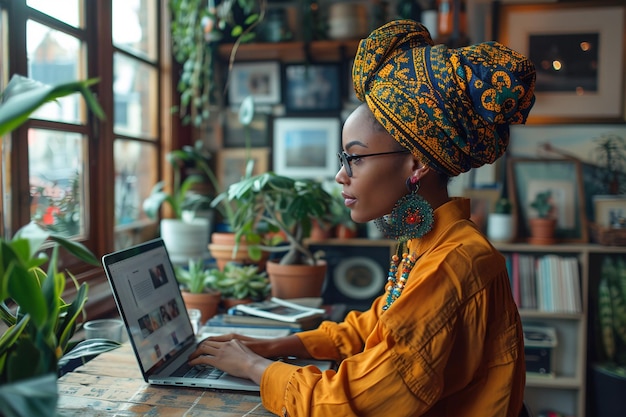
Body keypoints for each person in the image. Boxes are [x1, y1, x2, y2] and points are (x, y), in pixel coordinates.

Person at [189, 19, 536, 416]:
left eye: (354, 157)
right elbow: (376, 325)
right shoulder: (428, 242)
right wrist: (271, 347)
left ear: (417, 162)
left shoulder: (454, 262)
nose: (341, 175)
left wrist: (253, 368)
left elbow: (353, 404)